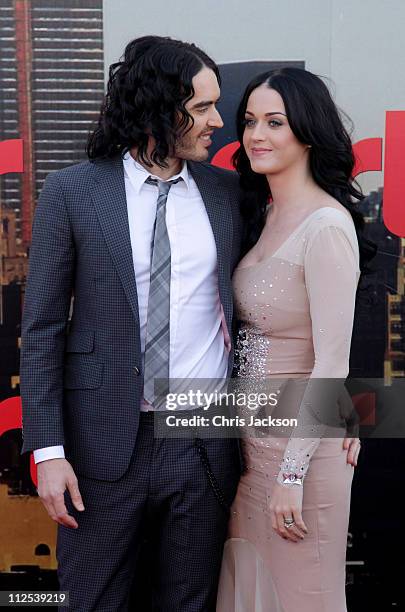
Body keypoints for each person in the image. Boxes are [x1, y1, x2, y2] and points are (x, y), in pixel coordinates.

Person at [20, 35, 244, 611]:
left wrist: (332, 411)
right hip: (100, 446)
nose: (217, 121)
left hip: (202, 439)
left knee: (190, 602)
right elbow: (42, 328)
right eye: (200, 108)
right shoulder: (73, 191)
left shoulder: (229, 195)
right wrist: (47, 452)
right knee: (90, 601)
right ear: (156, 108)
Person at [217, 68, 368, 611]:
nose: (257, 134)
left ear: (306, 132)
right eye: (250, 121)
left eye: (274, 122)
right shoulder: (262, 213)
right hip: (251, 455)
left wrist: (292, 474)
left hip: (300, 462)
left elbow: (331, 361)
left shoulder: (327, 225)